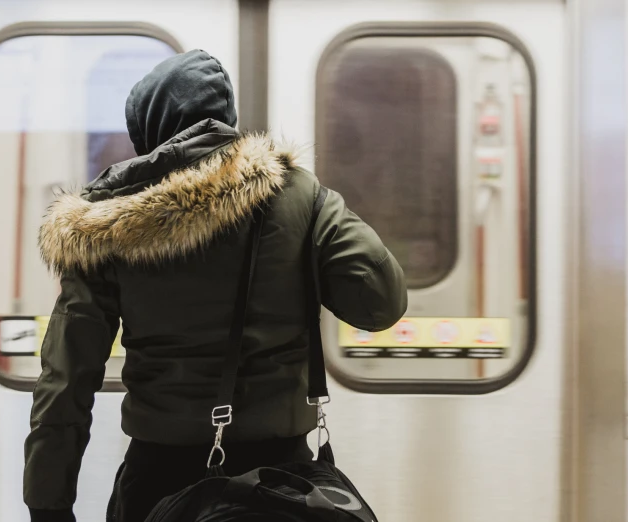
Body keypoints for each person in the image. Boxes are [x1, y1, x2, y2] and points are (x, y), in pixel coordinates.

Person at [23, 49, 408, 522]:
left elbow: (66, 380)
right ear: (226, 119)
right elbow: (380, 304)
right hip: (284, 483)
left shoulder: (105, 225)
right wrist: (314, 211)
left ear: (148, 132)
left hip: (158, 480)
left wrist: (48, 504)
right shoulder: (300, 196)